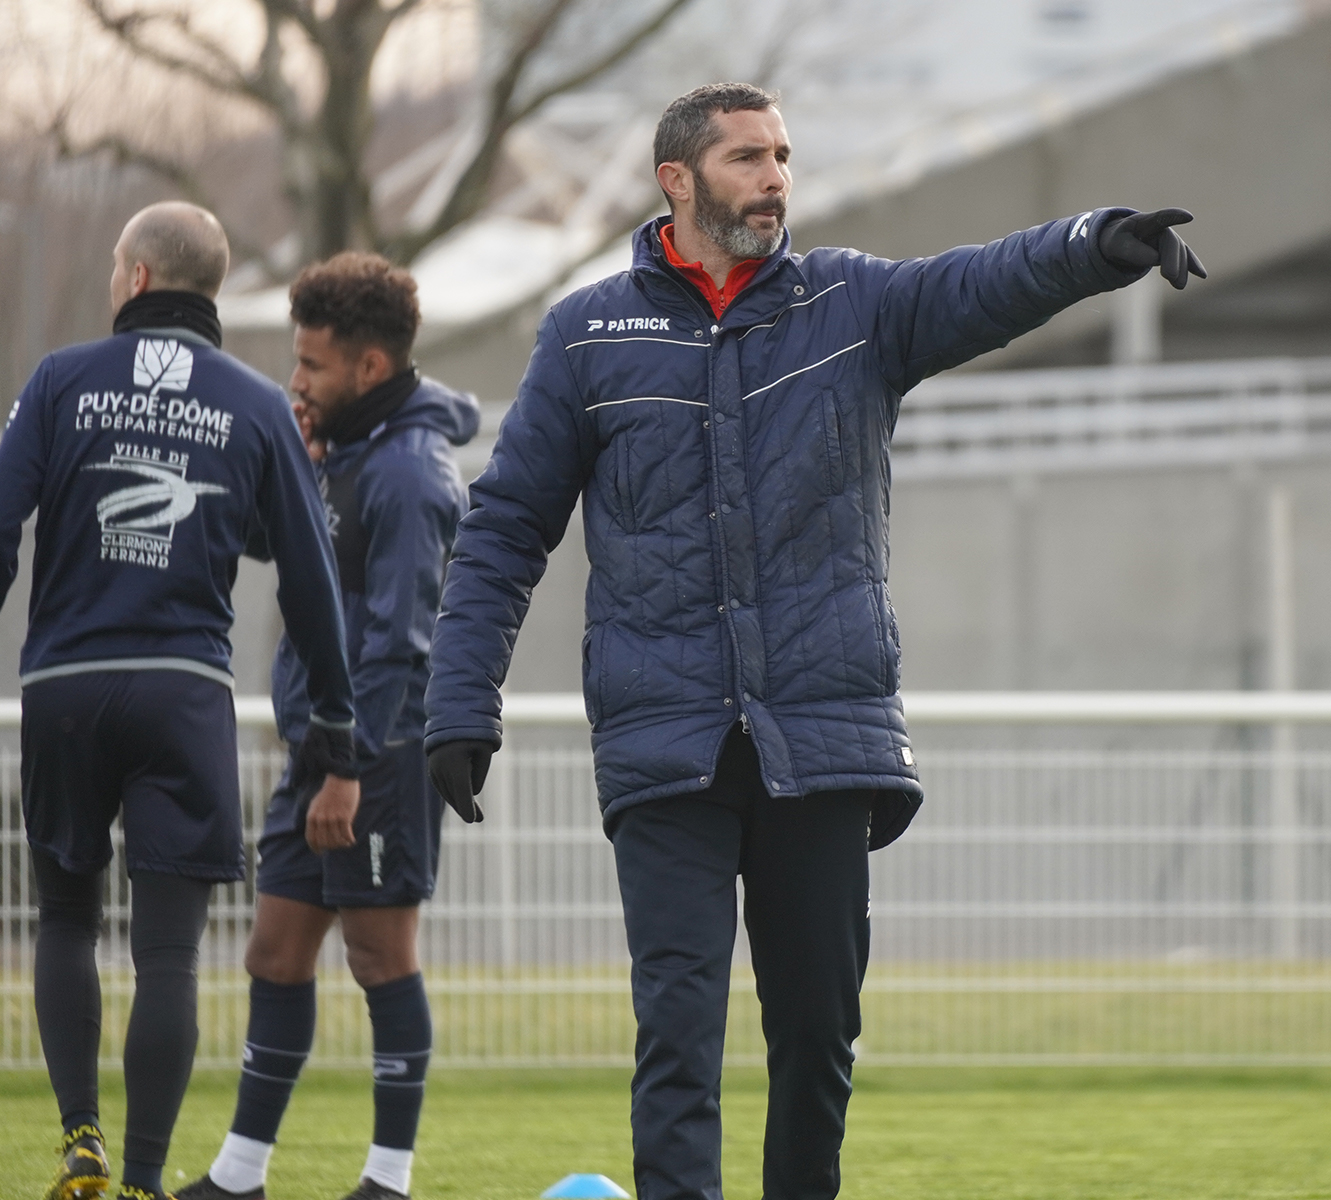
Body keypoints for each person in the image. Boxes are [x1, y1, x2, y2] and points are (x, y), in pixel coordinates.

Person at [423, 82, 1206, 1200]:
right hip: (666, 745)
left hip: (824, 737)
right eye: (747, 157)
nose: (775, 179)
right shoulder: (587, 334)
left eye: (783, 156)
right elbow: (504, 528)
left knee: (817, 1034)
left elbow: (980, 281)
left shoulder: (853, 303)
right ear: (677, 180)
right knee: (678, 1029)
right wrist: (460, 702)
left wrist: (1094, 245)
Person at [0, 202, 359, 1200]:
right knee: (168, 950)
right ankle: (146, 1180)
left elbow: (0, 522)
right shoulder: (255, 404)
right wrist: (334, 727)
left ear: (137, 277)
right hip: (185, 691)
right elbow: (308, 578)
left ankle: (81, 1141)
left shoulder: (59, 380)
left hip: (66, 686)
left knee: (66, 919)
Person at [176, 253, 478, 1200]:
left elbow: (401, 644)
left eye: (311, 364)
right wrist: (299, 471)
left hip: (379, 754)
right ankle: (240, 1177)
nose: (295, 380)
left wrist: (348, 766)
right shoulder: (343, 452)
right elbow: (277, 547)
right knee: (273, 951)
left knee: (379, 955)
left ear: (369, 367)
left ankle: (389, 1181)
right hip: (319, 748)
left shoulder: (411, 476)